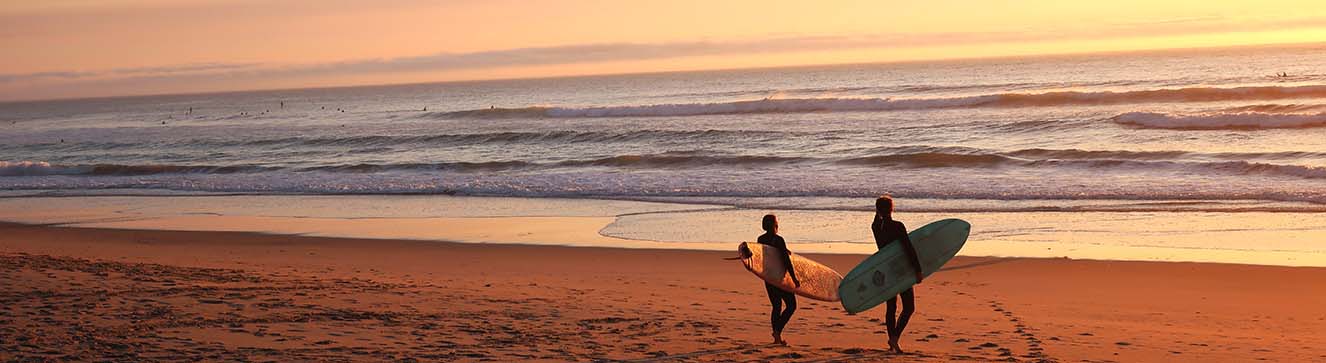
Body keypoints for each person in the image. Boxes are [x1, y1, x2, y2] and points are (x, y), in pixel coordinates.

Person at [872, 195, 924, 353]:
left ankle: (892, 339)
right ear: (892, 208)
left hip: (886, 270)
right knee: (909, 307)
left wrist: (877, 212)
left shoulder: (875, 227)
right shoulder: (898, 226)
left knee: (891, 307)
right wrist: (918, 270)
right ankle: (894, 338)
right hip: (901, 270)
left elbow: (877, 221)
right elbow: (908, 248)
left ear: (877, 210)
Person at [754, 214, 800, 345]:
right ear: (775, 225)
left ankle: (777, 338)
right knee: (791, 305)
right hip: (780, 278)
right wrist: (794, 278)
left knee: (776, 306)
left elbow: (765, 257)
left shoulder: (760, 239)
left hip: (768, 277)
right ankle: (777, 331)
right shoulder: (779, 240)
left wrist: (784, 250)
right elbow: (785, 261)